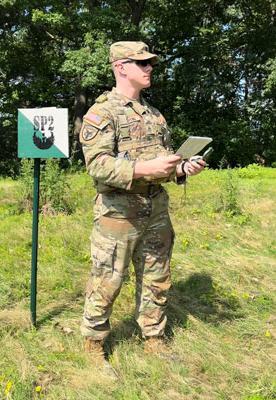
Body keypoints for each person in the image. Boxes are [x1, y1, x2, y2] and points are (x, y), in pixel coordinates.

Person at [79, 41, 205, 359]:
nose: (150, 68)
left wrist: (182, 168)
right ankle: (93, 344)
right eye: (142, 63)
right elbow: (97, 165)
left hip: (156, 209)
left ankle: (153, 337)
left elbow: (163, 160)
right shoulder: (102, 112)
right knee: (108, 278)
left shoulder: (155, 115)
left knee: (157, 276)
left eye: (151, 63)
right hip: (118, 212)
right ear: (121, 67)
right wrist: (141, 168)